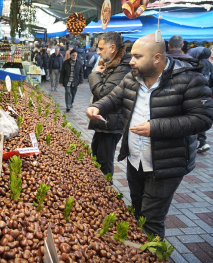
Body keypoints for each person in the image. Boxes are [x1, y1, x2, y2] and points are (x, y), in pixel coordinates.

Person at [86, 33, 213, 239]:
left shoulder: (190, 79)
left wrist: (156, 127)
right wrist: (97, 107)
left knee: (151, 220)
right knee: (137, 211)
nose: (131, 61)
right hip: (136, 159)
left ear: (157, 58)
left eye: (137, 56)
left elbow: (203, 119)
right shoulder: (132, 77)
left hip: (166, 164)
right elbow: (114, 98)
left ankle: (151, 254)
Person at [88, 31, 131, 179]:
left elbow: (104, 94)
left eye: (101, 48)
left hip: (111, 123)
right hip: (105, 122)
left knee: (104, 162)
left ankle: (106, 193)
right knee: (97, 156)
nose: (98, 52)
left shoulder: (123, 68)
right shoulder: (113, 66)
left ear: (112, 48)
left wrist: (95, 75)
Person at [189, 47, 213, 153]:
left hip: (193, 96)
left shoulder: (195, 65)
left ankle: (195, 142)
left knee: (192, 118)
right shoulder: (209, 66)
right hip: (205, 96)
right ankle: (202, 141)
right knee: (201, 118)